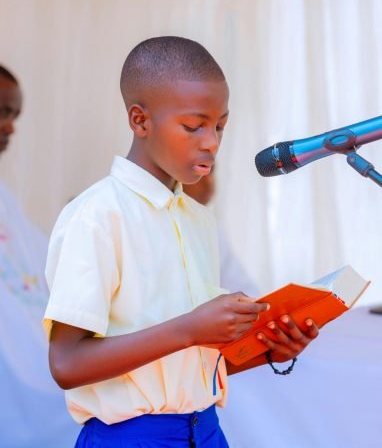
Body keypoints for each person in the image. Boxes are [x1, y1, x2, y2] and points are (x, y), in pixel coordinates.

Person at [44, 37, 319, 447]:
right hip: (131, 438)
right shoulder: (97, 217)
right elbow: (66, 363)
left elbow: (183, 365)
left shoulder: (199, 220)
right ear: (140, 121)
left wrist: (267, 350)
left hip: (206, 431)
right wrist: (190, 329)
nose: (211, 142)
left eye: (220, 126)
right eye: (193, 126)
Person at [0, 65, 80, 447]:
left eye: (14, 115)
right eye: (2, 112)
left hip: (38, 349)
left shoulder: (3, 198)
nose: (11, 128)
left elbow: (44, 264)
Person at [183, 169, 259, 297]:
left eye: (211, 171)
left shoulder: (211, 227)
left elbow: (246, 292)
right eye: (199, 172)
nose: (209, 181)